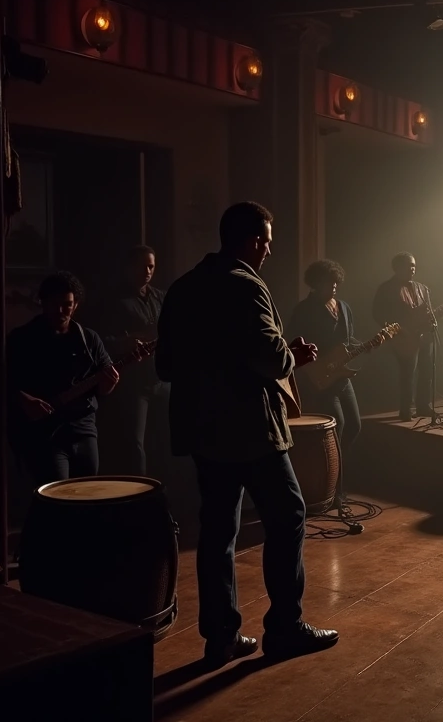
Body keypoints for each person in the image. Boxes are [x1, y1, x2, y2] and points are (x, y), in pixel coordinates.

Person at [157, 201, 339, 665]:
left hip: (203, 431)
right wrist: (290, 353)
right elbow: (268, 357)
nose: (269, 252)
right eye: (267, 243)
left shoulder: (181, 289)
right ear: (252, 240)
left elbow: (165, 364)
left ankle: (220, 637)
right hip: (250, 429)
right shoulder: (245, 287)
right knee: (290, 515)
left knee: (218, 531)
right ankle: (284, 628)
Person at [7, 271, 119, 484]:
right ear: (43, 302)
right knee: (56, 499)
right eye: (55, 304)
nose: (61, 311)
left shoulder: (88, 339)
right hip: (46, 436)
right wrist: (23, 399)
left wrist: (109, 384)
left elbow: (103, 388)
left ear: (76, 304)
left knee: (87, 497)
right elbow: (6, 381)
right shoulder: (23, 338)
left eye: (67, 305)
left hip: (84, 431)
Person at [100, 245, 168, 476]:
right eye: (143, 266)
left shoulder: (160, 297)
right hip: (134, 382)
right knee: (135, 445)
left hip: (161, 377)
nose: (148, 271)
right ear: (130, 267)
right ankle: (140, 495)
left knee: (165, 440)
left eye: (151, 266)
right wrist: (127, 341)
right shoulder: (114, 300)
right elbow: (101, 340)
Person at [288, 259, 362, 449]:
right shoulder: (303, 310)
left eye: (335, 281)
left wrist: (367, 345)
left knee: (354, 426)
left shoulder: (344, 307)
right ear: (316, 283)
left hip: (342, 377)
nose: (334, 285)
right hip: (321, 378)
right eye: (329, 281)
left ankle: (338, 466)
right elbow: (293, 344)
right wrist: (317, 366)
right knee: (338, 425)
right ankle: (331, 472)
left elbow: (349, 339)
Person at [372, 252, 434, 421]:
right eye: (408, 266)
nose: (412, 269)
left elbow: (427, 312)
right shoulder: (386, 288)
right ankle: (406, 410)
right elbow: (377, 313)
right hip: (403, 339)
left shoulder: (422, 288)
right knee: (408, 375)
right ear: (397, 268)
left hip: (422, 336)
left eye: (414, 265)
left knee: (426, 371)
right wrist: (396, 330)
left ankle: (423, 406)